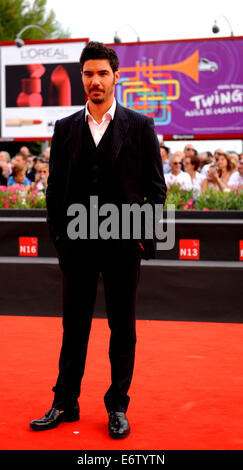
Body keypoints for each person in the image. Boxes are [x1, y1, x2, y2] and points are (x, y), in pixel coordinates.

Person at [30, 41, 166, 438]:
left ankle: (118, 407)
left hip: (124, 242)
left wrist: (141, 237)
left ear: (116, 77)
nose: (95, 80)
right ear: (81, 77)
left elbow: (156, 191)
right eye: (88, 73)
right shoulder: (65, 128)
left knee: (123, 329)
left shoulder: (140, 126)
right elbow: (54, 191)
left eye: (102, 73)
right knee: (74, 327)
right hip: (77, 244)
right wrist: (60, 237)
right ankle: (65, 402)